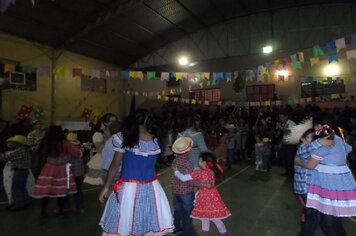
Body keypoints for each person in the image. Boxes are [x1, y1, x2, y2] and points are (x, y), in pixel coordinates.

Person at [99, 109, 173, 236]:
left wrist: (106, 186)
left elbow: (115, 164)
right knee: (146, 221)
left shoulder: (125, 138)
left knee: (126, 222)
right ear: (148, 122)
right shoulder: (156, 140)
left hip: (129, 189)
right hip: (152, 188)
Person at [295, 112, 356, 236]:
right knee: (335, 222)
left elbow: (310, 165)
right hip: (340, 184)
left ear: (320, 126)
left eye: (316, 126)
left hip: (330, 186)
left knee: (328, 224)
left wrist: (298, 161)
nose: (315, 129)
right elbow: (348, 149)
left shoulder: (324, 143)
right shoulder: (337, 137)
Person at [174, 152, 231, 236]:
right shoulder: (211, 172)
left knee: (207, 218)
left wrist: (176, 172)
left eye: (200, 159)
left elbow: (183, 178)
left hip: (204, 197)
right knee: (211, 218)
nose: (198, 161)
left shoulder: (200, 172)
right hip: (213, 196)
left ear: (204, 162)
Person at [32, 125, 82, 216]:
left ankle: (43, 211)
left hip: (49, 168)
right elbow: (77, 153)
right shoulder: (64, 143)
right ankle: (61, 211)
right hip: (61, 169)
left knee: (47, 189)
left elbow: (38, 152)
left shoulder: (46, 142)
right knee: (61, 190)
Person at [170, 137, 197, 236]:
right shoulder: (188, 163)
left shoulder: (175, 161)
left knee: (178, 210)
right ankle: (186, 232)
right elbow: (190, 179)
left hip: (176, 192)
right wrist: (197, 184)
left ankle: (176, 228)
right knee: (187, 213)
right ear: (189, 150)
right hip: (186, 193)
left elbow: (172, 177)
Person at [0, 135, 33, 210]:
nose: (11, 144)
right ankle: (26, 201)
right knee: (21, 187)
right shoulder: (24, 149)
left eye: (13, 143)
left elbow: (4, 158)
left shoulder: (20, 150)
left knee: (16, 189)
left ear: (18, 143)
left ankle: (19, 204)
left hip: (19, 171)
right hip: (24, 171)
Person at [66, 132, 85, 213]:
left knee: (68, 191)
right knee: (78, 191)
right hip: (80, 174)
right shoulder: (80, 149)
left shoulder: (70, 151)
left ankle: (67, 207)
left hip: (71, 174)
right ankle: (80, 207)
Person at [277, 112, 297, 177]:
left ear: (286, 117)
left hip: (291, 144)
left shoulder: (291, 123)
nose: (280, 118)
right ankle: (288, 172)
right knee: (284, 157)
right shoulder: (285, 123)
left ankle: (292, 173)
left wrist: (281, 143)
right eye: (280, 117)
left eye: (282, 117)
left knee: (289, 159)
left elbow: (287, 134)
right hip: (286, 143)